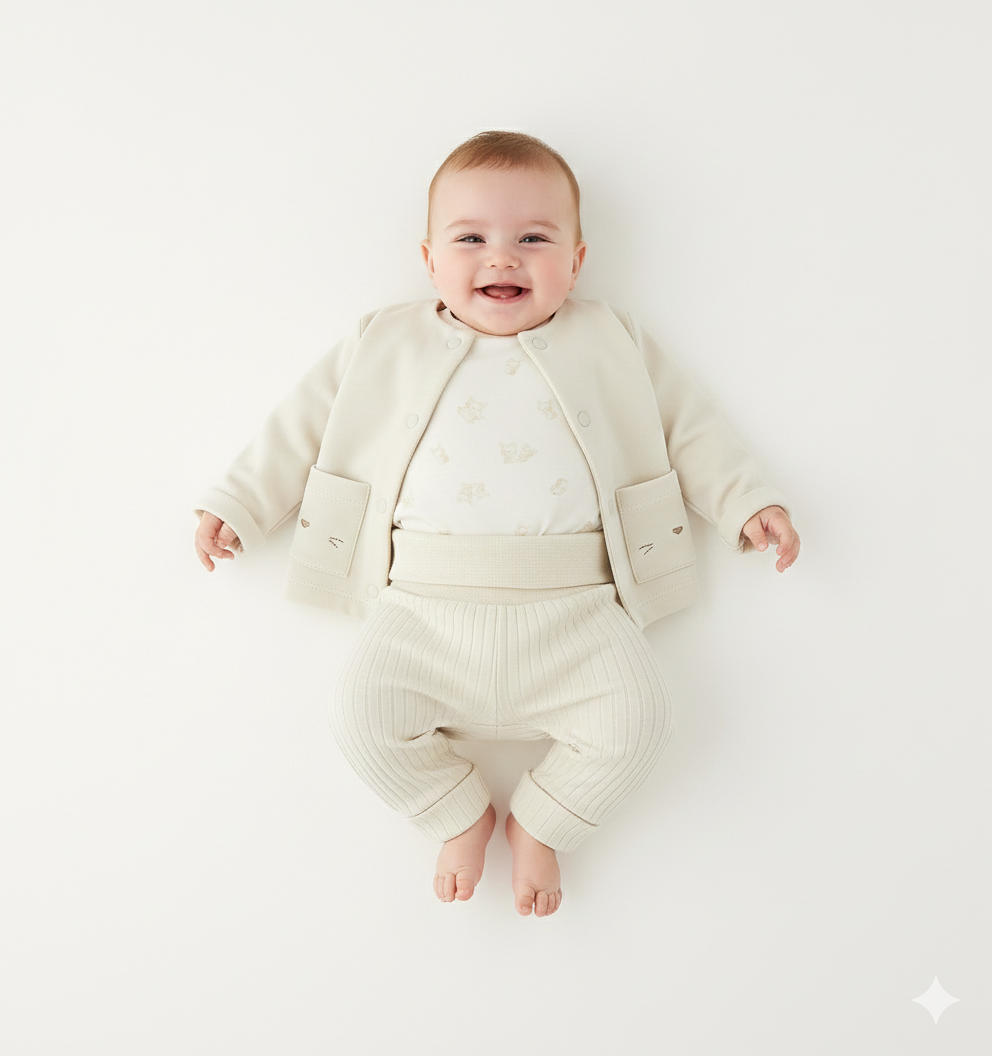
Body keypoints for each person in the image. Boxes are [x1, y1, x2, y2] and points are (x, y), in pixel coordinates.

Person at [194, 131, 800, 918]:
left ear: (577, 261)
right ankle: (456, 813)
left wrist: (745, 499)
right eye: (471, 239)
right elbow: (300, 426)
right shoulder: (384, 339)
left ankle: (543, 822)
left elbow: (690, 427)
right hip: (418, 612)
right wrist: (240, 503)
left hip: (580, 612)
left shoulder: (610, 338)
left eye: (534, 239)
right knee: (359, 719)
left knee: (641, 721)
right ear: (429, 259)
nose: (503, 258)